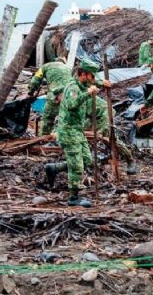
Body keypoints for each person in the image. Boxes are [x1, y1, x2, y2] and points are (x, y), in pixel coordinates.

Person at [45, 59, 110, 208]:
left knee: (87, 160)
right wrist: (88, 94)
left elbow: (94, 82)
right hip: (68, 131)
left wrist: (102, 83)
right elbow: (71, 104)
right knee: (77, 166)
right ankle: (73, 197)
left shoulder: (83, 83)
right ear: (83, 74)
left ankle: (54, 168)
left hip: (77, 131)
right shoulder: (73, 88)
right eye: (91, 76)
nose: (94, 79)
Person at [85, 96, 138, 175]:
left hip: (105, 115)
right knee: (84, 139)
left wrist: (101, 131)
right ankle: (89, 164)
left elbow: (107, 115)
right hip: (91, 118)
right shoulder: (73, 100)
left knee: (112, 141)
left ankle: (130, 160)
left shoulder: (91, 100)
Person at [28, 58, 73, 135]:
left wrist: (30, 92)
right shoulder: (68, 68)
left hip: (55, 96)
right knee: (66, 119)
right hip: (69, 96)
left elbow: (35, 80)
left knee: (48, 119)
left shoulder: (45, 66)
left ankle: (43, 139)